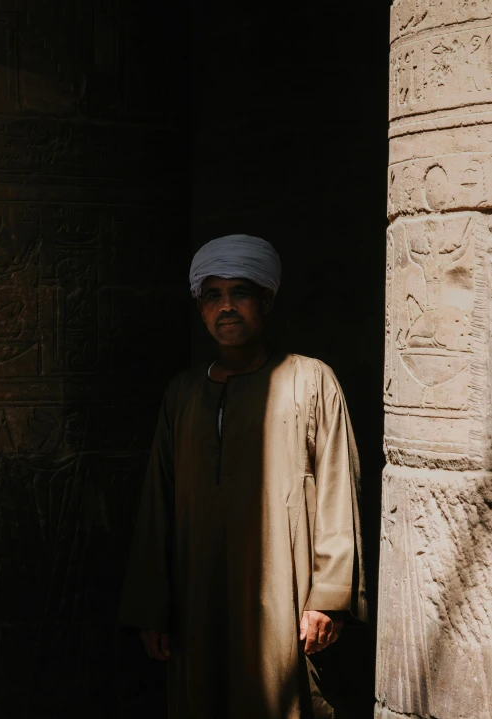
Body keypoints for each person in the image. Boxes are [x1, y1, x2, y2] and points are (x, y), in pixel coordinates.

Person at [119, 234, 367, 719]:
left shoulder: (310, 380)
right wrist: (153, 605)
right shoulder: (183, 394)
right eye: (213, 295)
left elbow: (339, 486)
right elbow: (158, 504)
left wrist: (330, 597)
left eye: (241, 293)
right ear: (200, 306)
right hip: (195, 600)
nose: (226, 307)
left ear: (267, 300)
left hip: (285, 600)